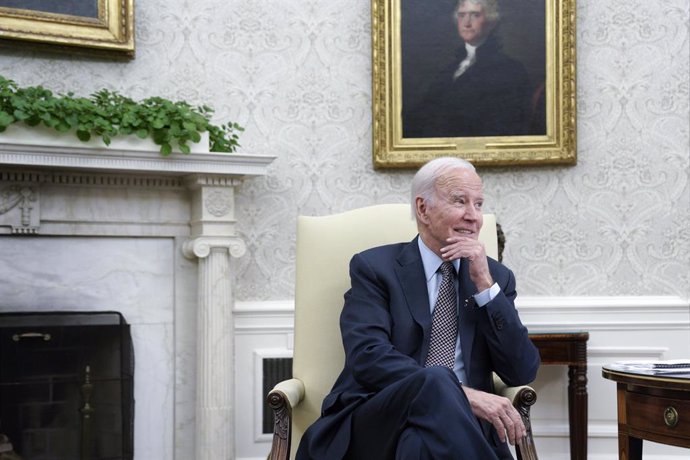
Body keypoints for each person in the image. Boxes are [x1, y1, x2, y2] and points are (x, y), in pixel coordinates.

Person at [296, 157, 540, 460]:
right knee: (438, 378)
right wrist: (464, 395)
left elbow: (521, 370)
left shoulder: (494, 279)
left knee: (418, 441)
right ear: (423, 209)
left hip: (455, 428)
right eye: (460, 202)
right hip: (377, 415)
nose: (473, 217)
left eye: (478, 204)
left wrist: (485, 286)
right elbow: (367, 357)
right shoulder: (375, 268)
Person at [403, 0, 534, 138]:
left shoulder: (510, 70)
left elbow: (505, 127)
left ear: (492, 22)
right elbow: (423, 113)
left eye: (475, 15)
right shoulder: (450, 68)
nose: (466, 23)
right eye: (461, 15)